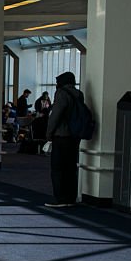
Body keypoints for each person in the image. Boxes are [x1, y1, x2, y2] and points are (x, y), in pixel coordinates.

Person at [45, 71, 83, 208]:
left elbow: (56, 115)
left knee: (58, 168)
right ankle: (70, 197)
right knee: (71, 168)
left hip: (61, 135)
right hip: (75, 136)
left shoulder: (61, 93)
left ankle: (60, 198)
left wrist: (49, 133)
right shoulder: (79, 94)